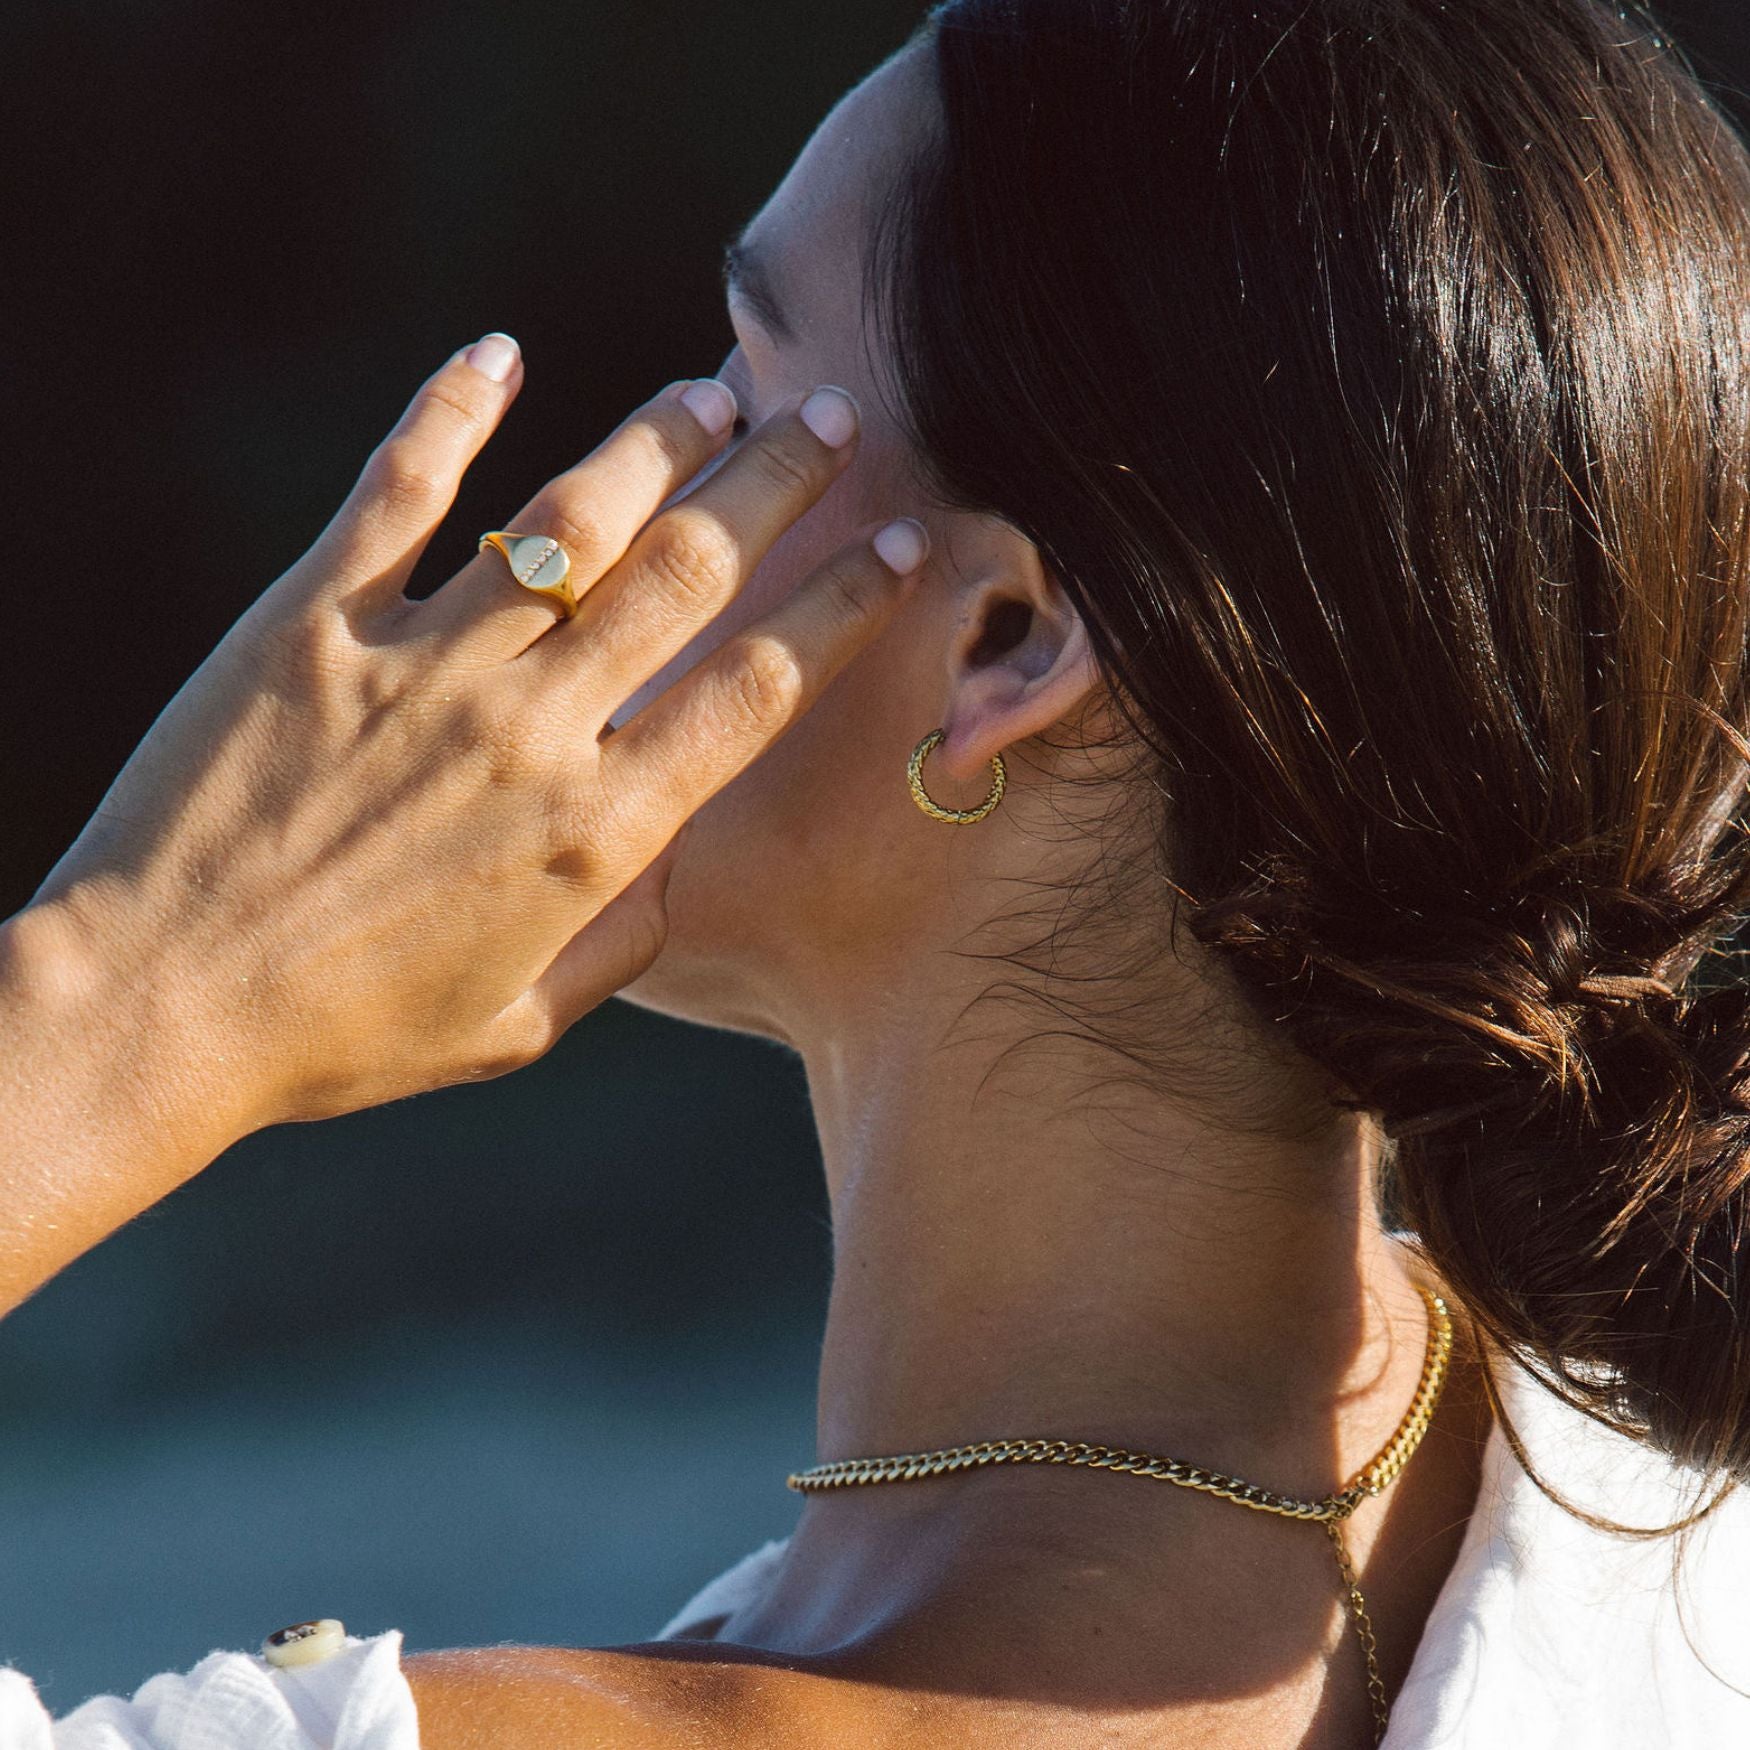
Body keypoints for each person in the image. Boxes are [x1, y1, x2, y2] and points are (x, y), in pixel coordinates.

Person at [5, 0, 1750, 1743]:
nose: (610, 475)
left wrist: (145, 987)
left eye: (742, 389)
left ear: (1004, 639)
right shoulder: (1678, 1560)